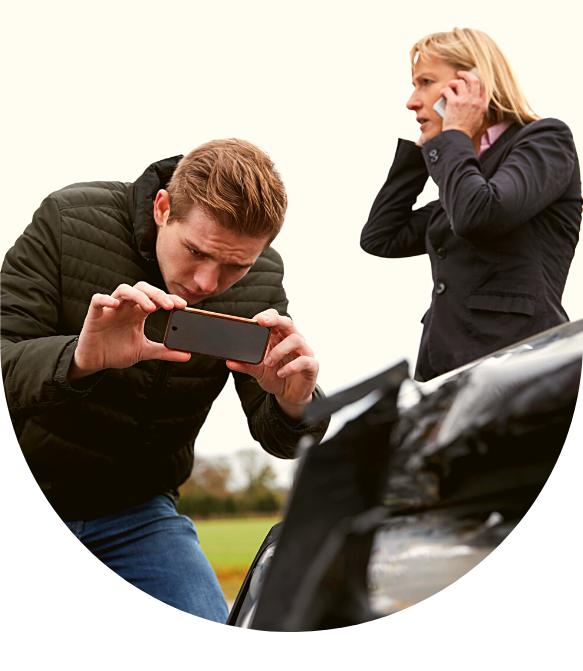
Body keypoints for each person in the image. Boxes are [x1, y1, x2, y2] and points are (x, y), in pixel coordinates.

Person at [0, 138, 330, 623]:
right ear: (162, 208)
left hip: (138, 510)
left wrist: (296, 404)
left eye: (235, 265)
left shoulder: (261, 281)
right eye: (195, 251)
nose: (205, 282)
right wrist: (79, 358)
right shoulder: (69, 220)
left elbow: (277, 432)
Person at [360, 27, 582, 381]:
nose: (412, 101)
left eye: (425, 82)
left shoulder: (546, 140)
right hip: (443, 373)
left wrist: (454, 136)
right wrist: (423, 154)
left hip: (520, 368)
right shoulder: (465, 175)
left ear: (473, 83)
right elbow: (381, 237)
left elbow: (479, 216)